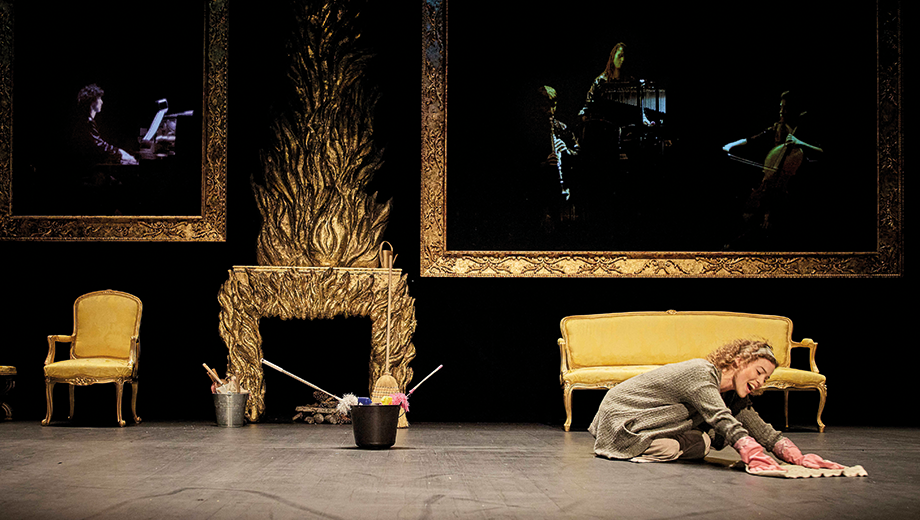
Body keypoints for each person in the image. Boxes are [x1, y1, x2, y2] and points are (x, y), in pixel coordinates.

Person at [589, 339, 844, 474]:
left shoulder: (733, 395)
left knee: (703, 443)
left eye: (766, 378)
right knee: (673, 447)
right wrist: (750, 451)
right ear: (739, 361)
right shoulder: (701, 373)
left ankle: (651, 444)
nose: (760, 381)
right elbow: (720, 417)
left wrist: (796, 456)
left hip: (654, 422)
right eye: (758, 372)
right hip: (623, 416)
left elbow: (758, 427)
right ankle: (628, 446)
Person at [72, 84, 138, 167]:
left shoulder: (85, 120)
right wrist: (120, 153)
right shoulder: (87, 122)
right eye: (99, 98)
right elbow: (99, 147)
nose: (102, 102)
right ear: (92, 101)